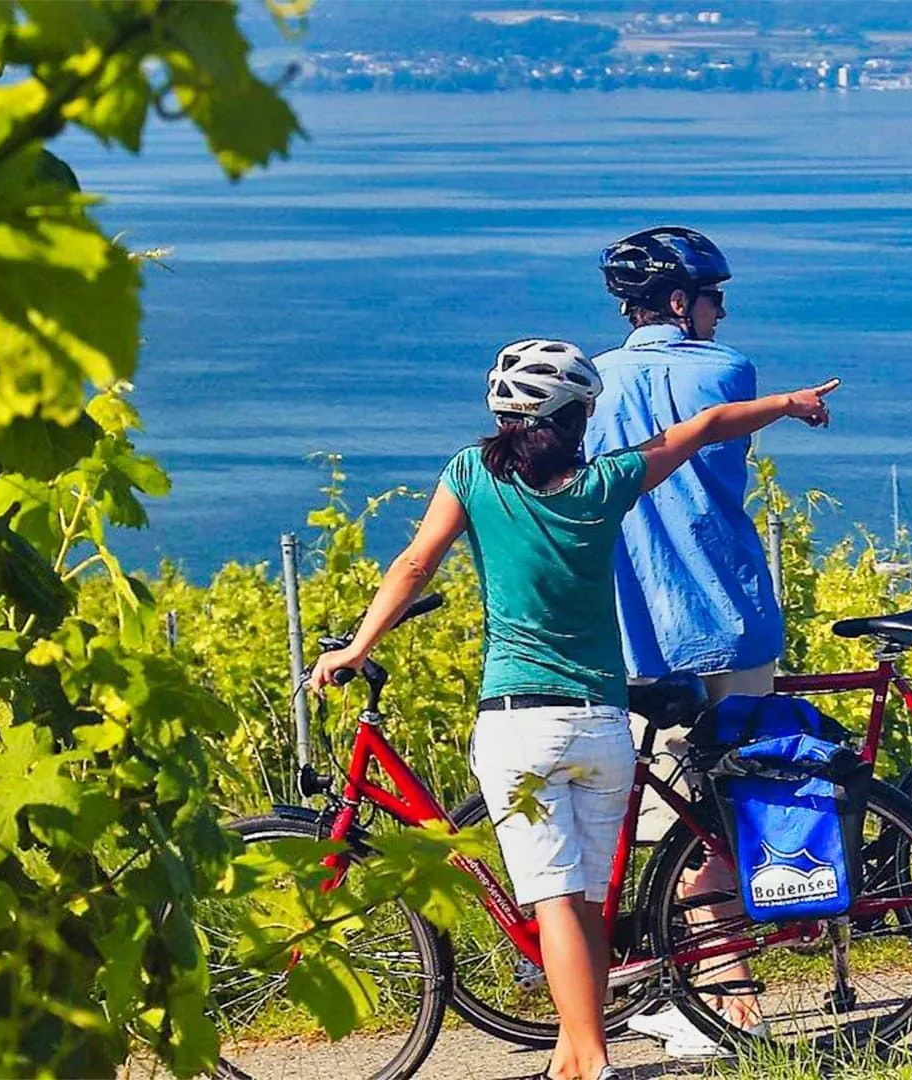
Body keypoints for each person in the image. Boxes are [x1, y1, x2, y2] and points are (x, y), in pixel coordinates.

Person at [308, 338, 838, 1080]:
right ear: (574, 419)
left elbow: (415, 563)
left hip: (519, 725)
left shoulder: (469, 474)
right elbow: (707, 423)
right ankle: (572, 1051)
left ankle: (587, 1060)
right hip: (601, 722)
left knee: (554, 901)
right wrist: (788, 404)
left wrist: (358, 647)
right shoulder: (605, 483)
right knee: (584, 901)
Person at [587, 227, 787, 1058]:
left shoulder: (590, 382)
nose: (722, 310)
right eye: (713, 296)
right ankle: (725, 1005)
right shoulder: (726, 369)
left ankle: (682, 991)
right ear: (680, 302)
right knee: (731, 820)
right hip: (732, 624)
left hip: (638, 636)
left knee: (658, 820)